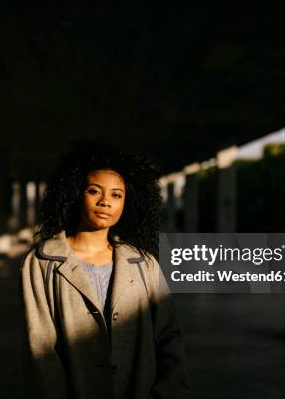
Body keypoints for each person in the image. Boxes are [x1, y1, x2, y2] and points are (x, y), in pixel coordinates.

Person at [20, 139, 190, 399]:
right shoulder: (42, 263)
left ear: (127, 203)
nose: (105, 202)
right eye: (94, 191)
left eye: (116, 195)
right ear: (76, 194)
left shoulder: (144, 264)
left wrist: (165, 393)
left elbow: (169, 337)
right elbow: (40, 350)